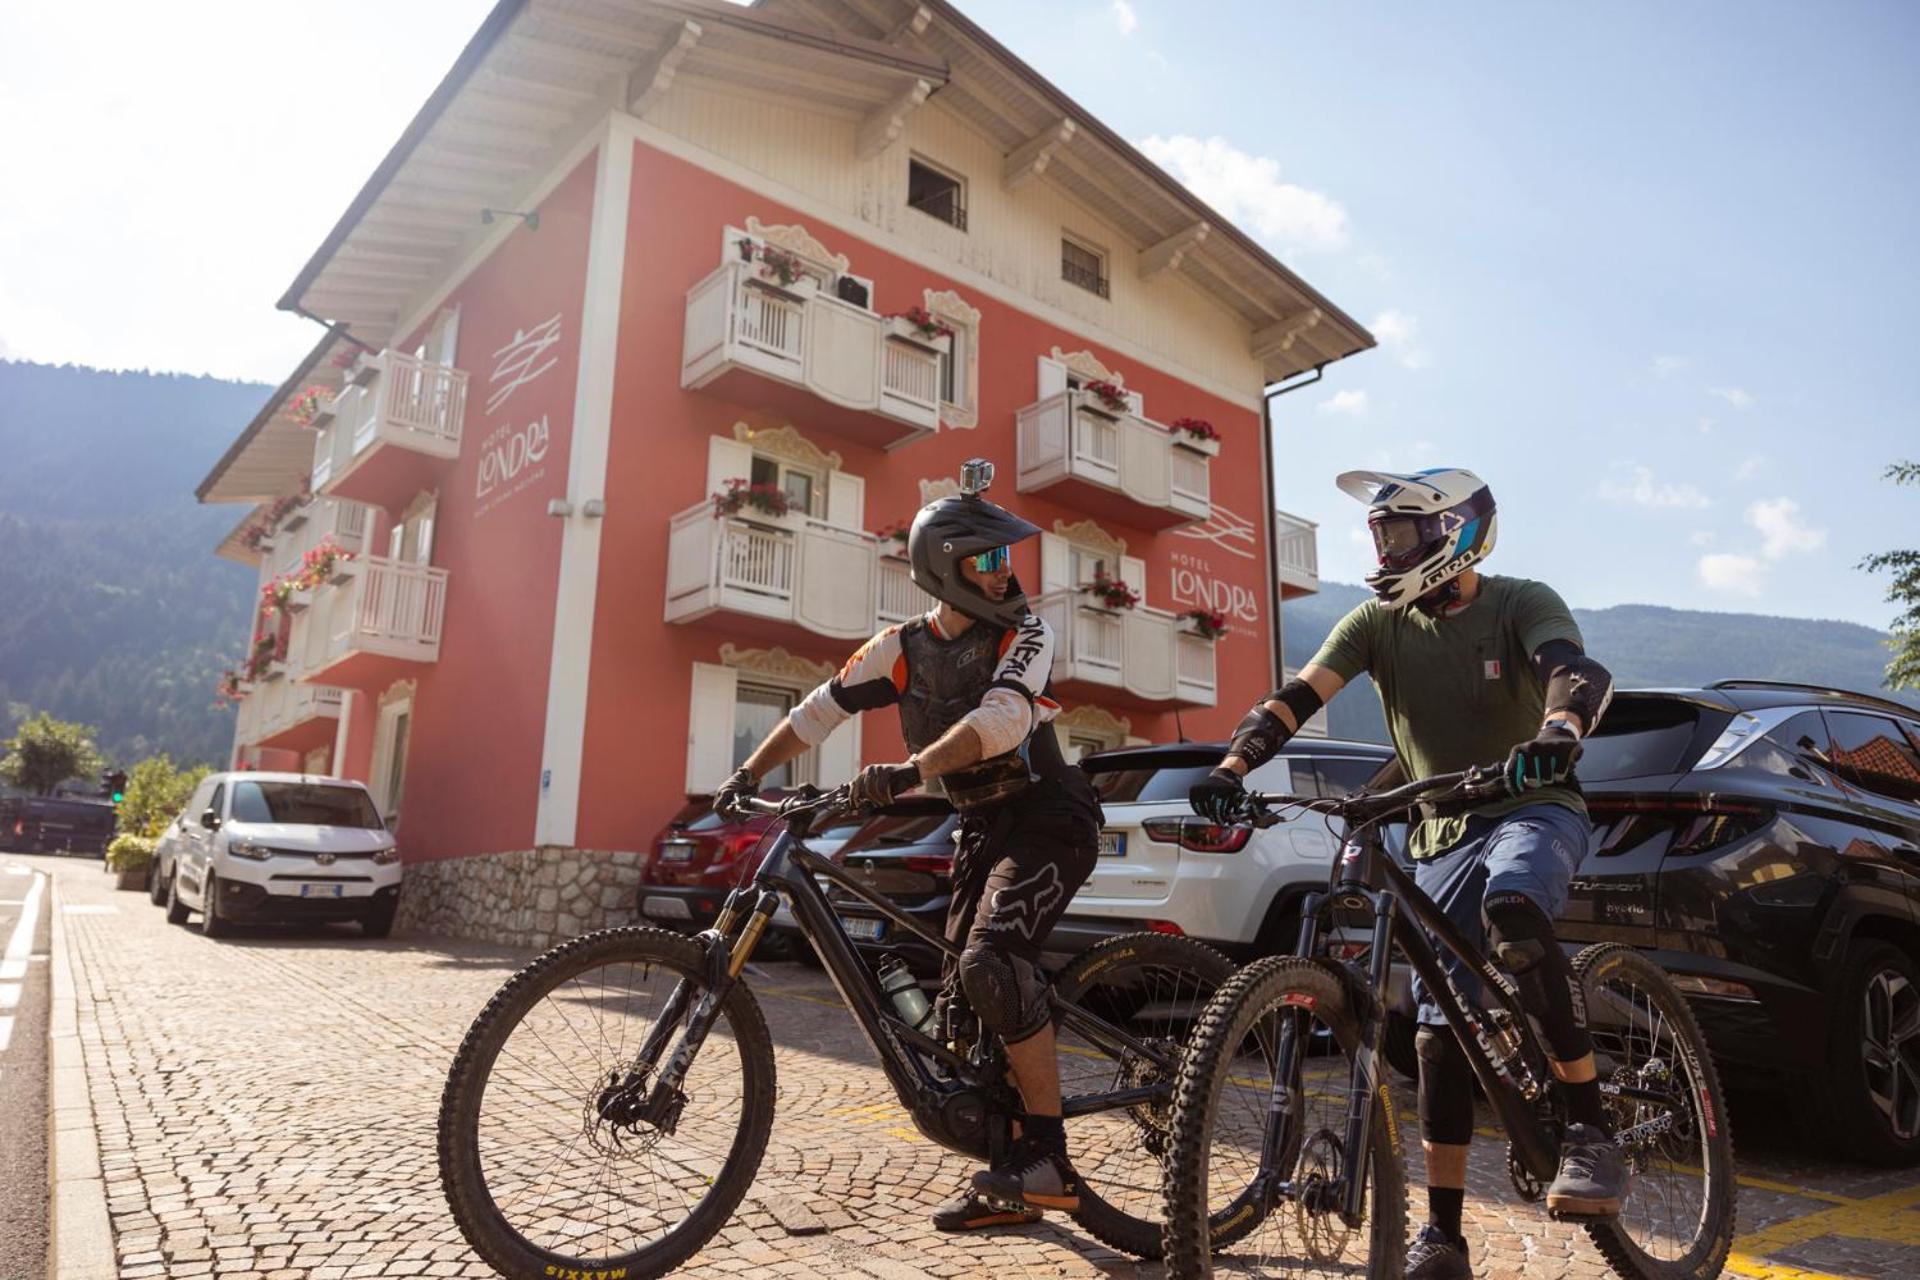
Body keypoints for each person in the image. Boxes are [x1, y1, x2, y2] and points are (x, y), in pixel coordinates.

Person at [1191, 467, 1626, 1280]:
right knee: (1436, 1034)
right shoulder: (1375, 623)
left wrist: (1558, 730)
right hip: (1440, 833)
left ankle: (1590, 1127)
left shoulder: (1520, 600)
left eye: (1398, 535)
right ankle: (1444, 1239)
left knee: (1516, 915)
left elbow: (1574, 670)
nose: (1385, 551)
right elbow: (1295, 697)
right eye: (1379, 536)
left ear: (1453, 531)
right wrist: (1232, 767)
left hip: (1533, 808)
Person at [715, 459, 1103, 1233]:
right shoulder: (899, 648)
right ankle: (1009, 1178)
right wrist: (747, 771)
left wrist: (911, 770)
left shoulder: (1027, 633)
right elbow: (818, 711)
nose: (1005, 574)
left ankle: (1050, 1157)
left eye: (1007, 558)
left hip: (1049, 817)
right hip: (981, 827)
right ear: (943, 569)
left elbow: (1001, 721)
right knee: (961, 1005)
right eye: (987, 560)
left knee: (992, 961)